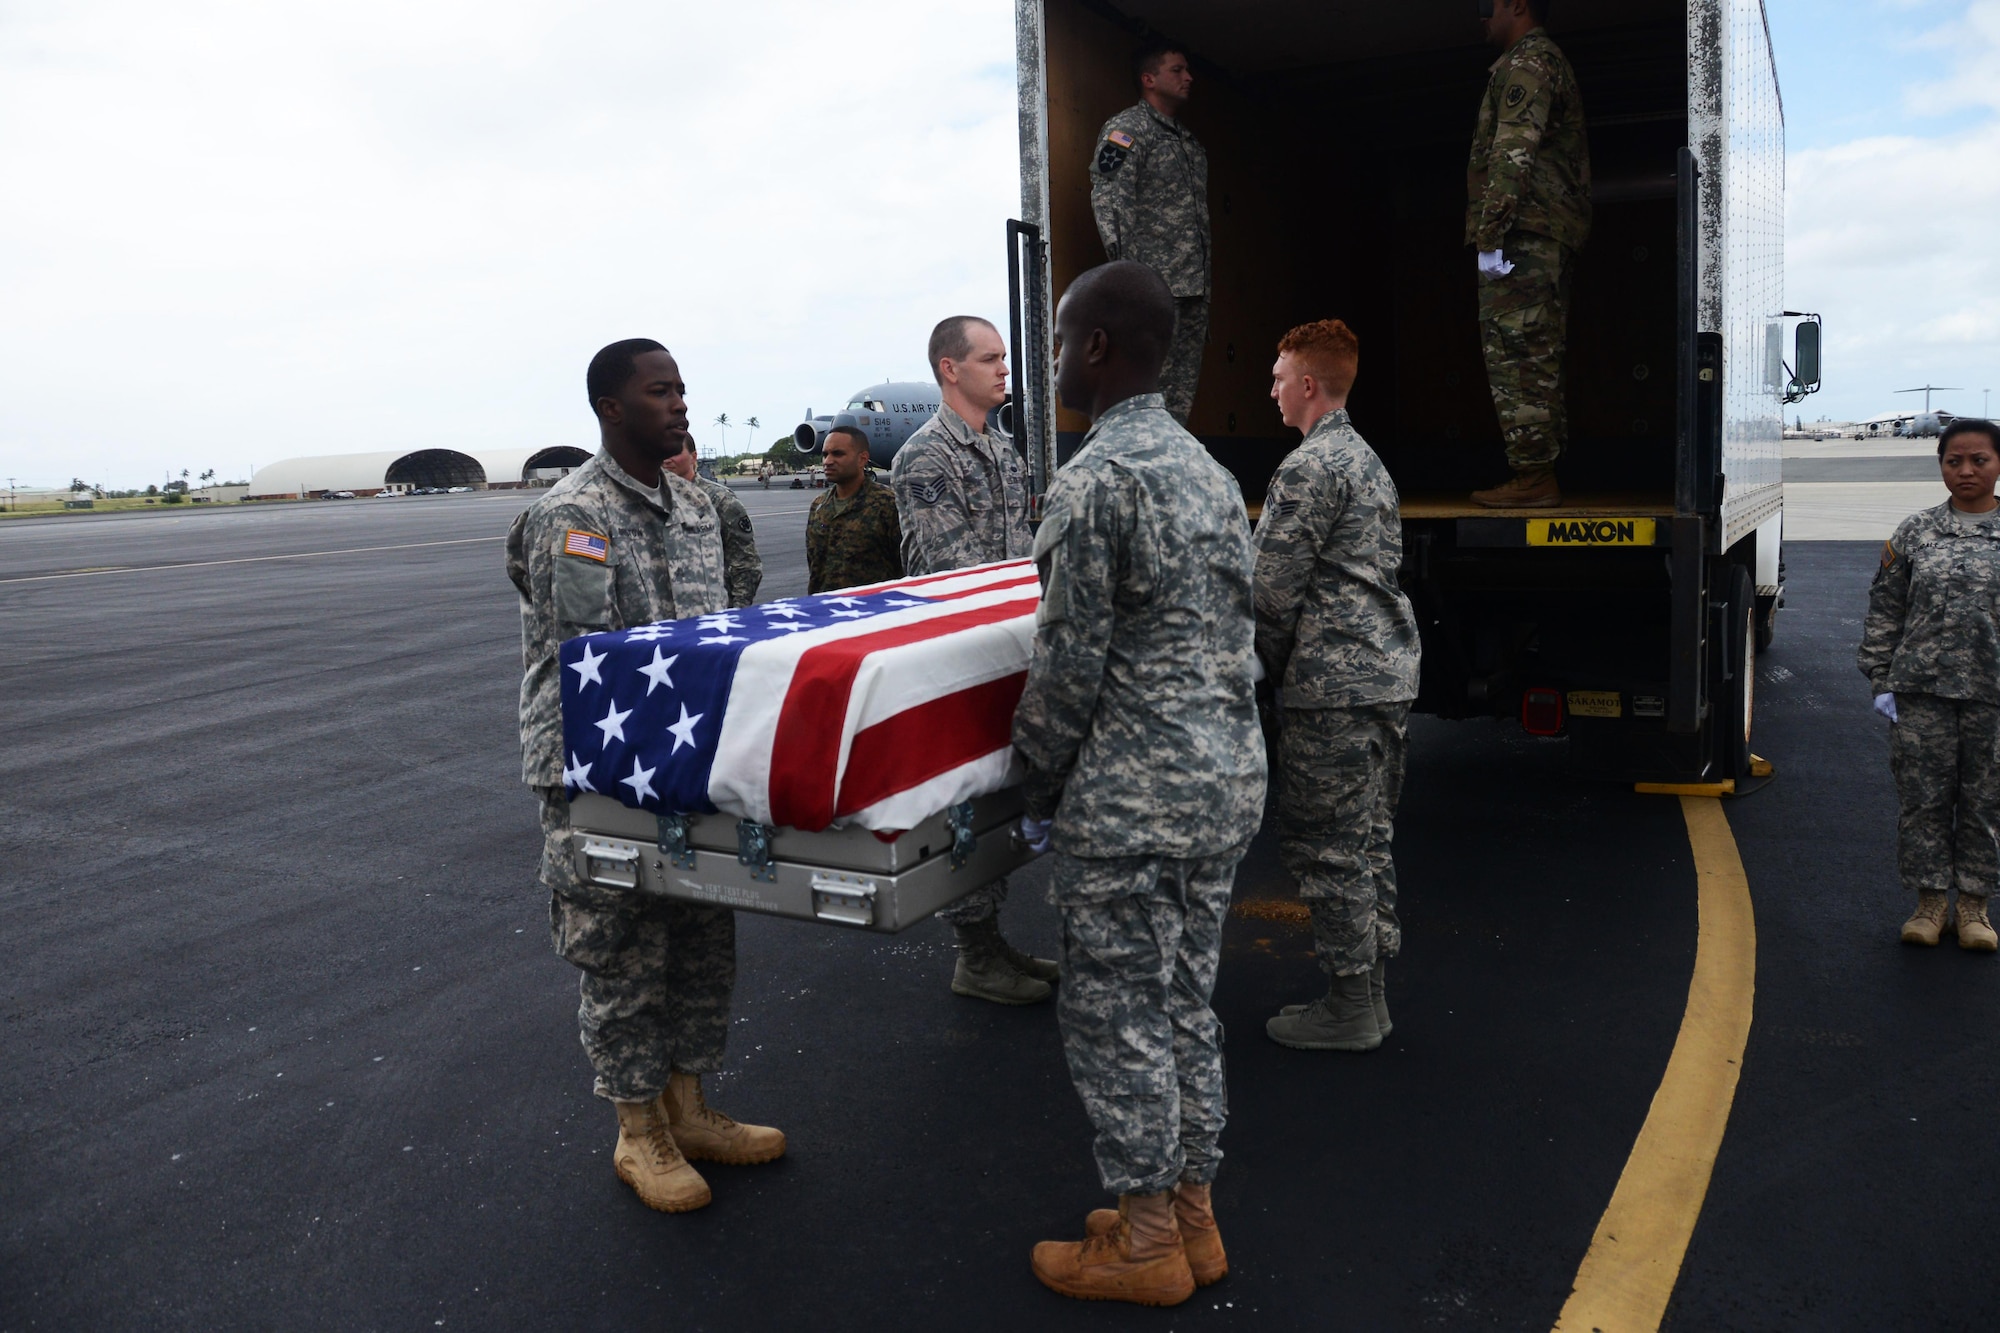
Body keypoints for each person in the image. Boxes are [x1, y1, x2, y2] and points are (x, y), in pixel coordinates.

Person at [1014, 261, 1266, 1307]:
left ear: (1097, 348)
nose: (1054, 360)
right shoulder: (1207, 472)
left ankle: (1147, 1243)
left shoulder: (1096, 481)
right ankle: (1191, 1218)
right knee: (1182, 1006)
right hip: (1221, 785)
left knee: (1117, 1017)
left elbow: (1066, 670)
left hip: (1129, 804)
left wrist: (1029, 783)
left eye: (1059, 340)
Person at [504, 338, 785, 1216]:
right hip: (598, 762)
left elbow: (732, 610)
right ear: (612, 408)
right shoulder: (574, 515)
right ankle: (638, 1128)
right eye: (660, 392)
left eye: (683, 389)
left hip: (687, 757)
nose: (680, 404)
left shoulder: (698, 505)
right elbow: (583, 650)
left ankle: (688, 1107)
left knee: (702, 931)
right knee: (621, 943)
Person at [1251, 320, 1422, 1051]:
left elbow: (1268, 594)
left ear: (1307, 384)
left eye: (1278, 378)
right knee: (1367, 839)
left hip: (1332, 687)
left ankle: (1350, 1006)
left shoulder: (1307, 468)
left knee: (1327, 845)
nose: (1271, 391)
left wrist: (1256, 673)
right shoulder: (1366, 460)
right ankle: (1369, 997)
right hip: (1381, 676)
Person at [890, 314, 1050, 1004]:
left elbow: (1024, 554)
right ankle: (975, 954)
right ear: (949, 369)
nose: (1004, 369)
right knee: (965, 807)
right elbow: (953, 570)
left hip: (1006, 648)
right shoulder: (927, 456)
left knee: (999, 801)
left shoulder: (1002, 450)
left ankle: (992, 943)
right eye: (990, 359)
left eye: (1003, 358)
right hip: (960, 653)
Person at [1859, 418, 2000, 953]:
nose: (1966, 471)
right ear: (1941, 465)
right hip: (1921, 694)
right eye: (1953, 461)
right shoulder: (1916, 532)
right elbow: (1885, 608)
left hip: (1992, 695)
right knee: (1923, 801)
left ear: (1997, 464)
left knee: (1986, 802)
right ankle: (1930, 905)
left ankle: (1974, 908)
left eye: (1979, 460)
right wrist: (1880, 677)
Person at [1465, 0, 1591, 509]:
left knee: (1517, 352)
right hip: (1539, 231)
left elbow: (1512, 153)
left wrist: (1489, 235)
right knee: (1536, 349)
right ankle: (1537, 470)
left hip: (1524, 233)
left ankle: (1534, 475)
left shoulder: (1528, 62)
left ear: (1517, 4)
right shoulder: (1537, 61)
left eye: (1486, 4)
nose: (1479, 15)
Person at [1088, 41, 1209, 425]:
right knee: (1142, 391)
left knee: (1178, 400)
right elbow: (1110, 200)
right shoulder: (1127, 130)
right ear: (1149, 79)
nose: (1188, 77)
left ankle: (1169, 456)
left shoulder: (1187, 141)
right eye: (1177, 70)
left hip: (1192, 288)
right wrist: (1132, 279)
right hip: (1152, 289)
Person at [806, 419, 904, 594]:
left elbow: (904, 564)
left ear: (862, 459)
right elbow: (814, 564)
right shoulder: (819, 506)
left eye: (838, 454)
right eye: (825, 454)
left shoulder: (887, 504)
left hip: (872, 606)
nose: (828, 461)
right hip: (826, 605)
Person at [666, 436, 761, 607]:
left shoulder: (720, 500)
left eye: (674, 452)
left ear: (693, 457)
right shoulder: (653, 501)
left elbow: (746, 563)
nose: (667, 459)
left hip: (715, 608)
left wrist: (738, 610)